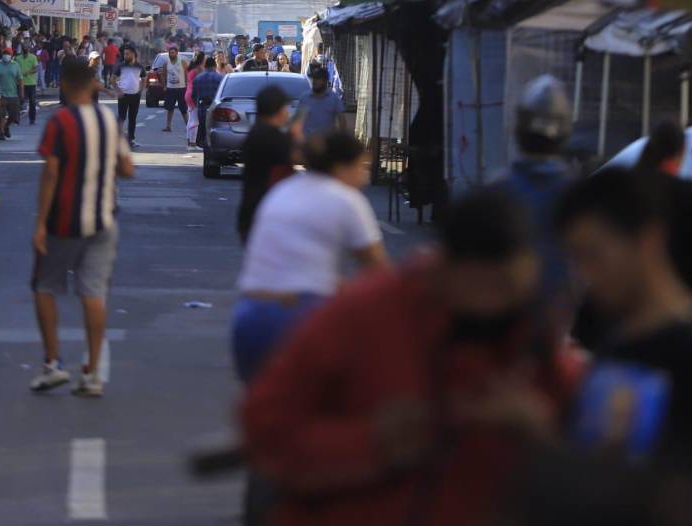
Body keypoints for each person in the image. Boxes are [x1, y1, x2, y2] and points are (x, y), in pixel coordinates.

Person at [242, 188, 582, 526]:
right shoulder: (366, 314)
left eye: (505, 288)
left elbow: (594, 462)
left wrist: (540, 428)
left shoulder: (536, 336)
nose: (490, 305)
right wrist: (371, 444)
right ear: (444, 269)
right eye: (478, 288)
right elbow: (265, 428)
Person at [558, 168, 692, 521]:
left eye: (594, 254)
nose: (586, 274)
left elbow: (691, 499)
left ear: (648, 239)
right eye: (577, 258)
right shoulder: (616, 343)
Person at [234, 131, 387, 381]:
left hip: (249, 316)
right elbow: (379, 272)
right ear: (341, 167)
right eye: (361, 167)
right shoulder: (347, 200)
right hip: (298, 317)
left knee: (267, 408)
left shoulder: (283, 191)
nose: (365, 177)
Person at [30, 58, 135, 397]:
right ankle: (92, 371)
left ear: (62, 85)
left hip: (63, 221)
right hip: (104, 218)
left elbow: (51, 174)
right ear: (93, 84)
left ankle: (53, 363)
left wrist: (41, 224)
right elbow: (128, 168)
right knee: (93, 293)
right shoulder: (109, 120)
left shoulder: (59, 122)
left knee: (45, 286)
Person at [498, 75, 575, 310]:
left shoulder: (495, 194)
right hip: (562, 320)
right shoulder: (582, 197)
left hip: (501, 320)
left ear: (518, 129)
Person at [634, 120, 692, 295]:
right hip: (677, 290)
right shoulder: (687, 193)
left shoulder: (626, 186)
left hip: (631, 288)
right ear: (681, 150)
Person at [237, 86, 299, 242]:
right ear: (277, 110)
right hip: (265, 215)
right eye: (284, 108)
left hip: (256, 212)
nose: (287, 112)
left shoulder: (258, 133)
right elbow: (301, 156)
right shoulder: (271, 136)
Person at [114, 45, 147, 148]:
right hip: (123, 95)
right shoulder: (120, 66)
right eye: (124, 54)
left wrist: (140, 91)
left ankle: (131, 140)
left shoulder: (140, 67)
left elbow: (144, 79)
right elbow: (112, 79)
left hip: (135, 96)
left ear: (133, 54)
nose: (125, 56)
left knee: (132, 118)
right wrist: (118, 90)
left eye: (127, 54)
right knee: (121, 117)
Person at [299, 67, 345, 138]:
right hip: (308, 141)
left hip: (327, 141)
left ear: (325, 81)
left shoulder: (333, 98)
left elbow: (341, 118)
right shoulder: (305, 98)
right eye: (314, 79)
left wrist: (341, 137)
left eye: (318, 79)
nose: (315, 81)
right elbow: (298, 120)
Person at [191, 57, 223, 151]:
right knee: (216, 129)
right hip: (216, 108)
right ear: (215, 65)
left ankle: (204, 145)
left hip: (202, 107)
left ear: (205, 66)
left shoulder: (198, 78)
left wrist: (198, 104)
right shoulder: (220, 78)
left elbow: (194, 95)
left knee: (203, 128)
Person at [159, 46, 189, 133]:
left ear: (176, 53)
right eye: (170, 53)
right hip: (171, 88)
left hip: (181, 88)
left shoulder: (182, 62)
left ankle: (188, 126)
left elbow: (187, 74)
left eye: (172, 53)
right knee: (170, 108)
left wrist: (187, 84)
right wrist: (164, 85)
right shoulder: (167, 63)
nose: (171, 54)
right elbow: (162, 75)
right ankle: (168, 126)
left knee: (183, 109)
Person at [185, 52, 206, 147]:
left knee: (191, 119)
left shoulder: (191, 68)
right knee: (195, 121)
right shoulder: (199, 70)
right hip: (195, 95)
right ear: (202, 60)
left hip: (188, 94)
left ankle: (189, 140)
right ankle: (193, 142)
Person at [18, 44, 41, 125]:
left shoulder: (33, 57)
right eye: (24, 47)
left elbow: (36, 68)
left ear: (29, 49)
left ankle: (32, 119)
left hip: (31, 83)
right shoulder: (18, 58)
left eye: (26, 47)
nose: (25, 49)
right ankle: (16, 118)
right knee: (19, 101)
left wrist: (28, 72)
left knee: (32, 102)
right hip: (21, 83)